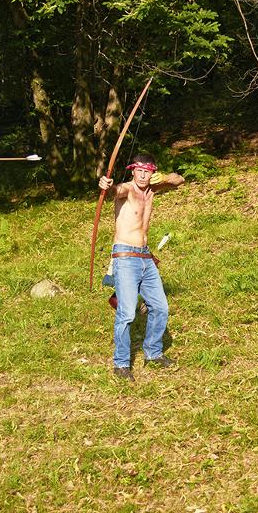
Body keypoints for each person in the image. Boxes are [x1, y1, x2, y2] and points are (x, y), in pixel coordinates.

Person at [98, 153, 185, 381]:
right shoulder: (127, 189)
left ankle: (153, 354)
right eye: (139, 170)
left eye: (148, 171)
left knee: (160, 307)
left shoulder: (152, 190)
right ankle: (121, 364)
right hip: (126, 257)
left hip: (145, 257)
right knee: (127, 313)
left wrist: (163, 178)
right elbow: (113, 193)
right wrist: (106, 186)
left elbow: (180, 180)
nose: (143, 175)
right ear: (132, 171)